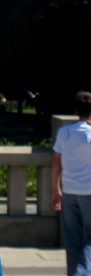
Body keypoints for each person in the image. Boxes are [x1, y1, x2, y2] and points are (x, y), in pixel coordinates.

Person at [52, 91, 91, 276]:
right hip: (89, 192)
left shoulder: (64, 132)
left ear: (76, 109)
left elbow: (56, 163)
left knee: (72, 238)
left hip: (69, 191)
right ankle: (82, 273)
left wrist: (56, 189)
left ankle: (73, 272)